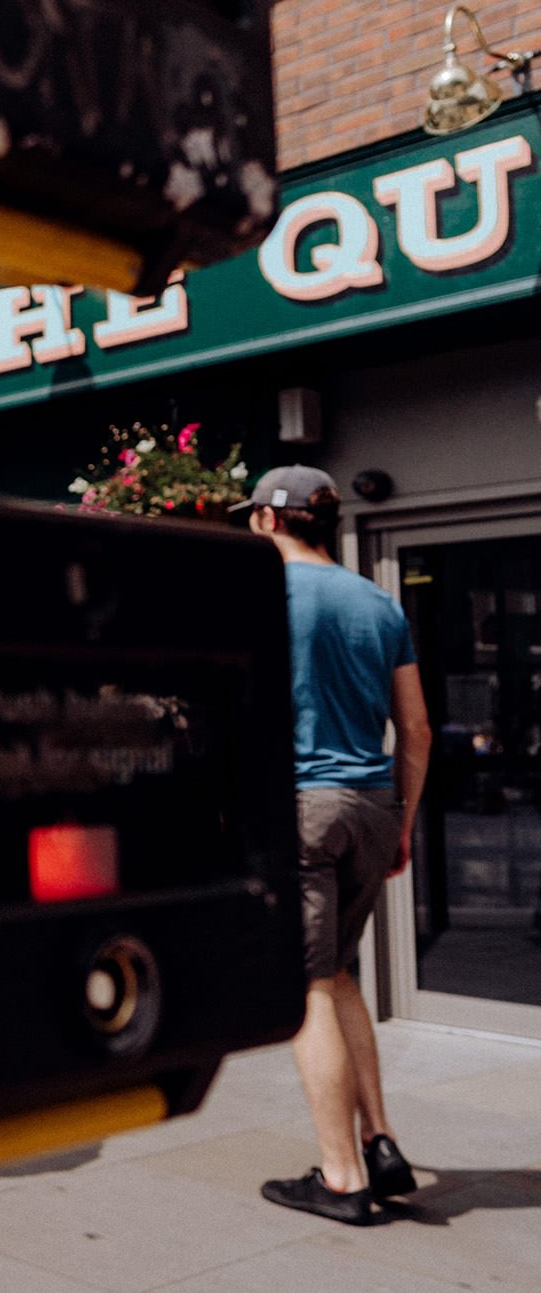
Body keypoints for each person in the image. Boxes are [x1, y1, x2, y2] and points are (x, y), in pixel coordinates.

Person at [240, 465, 432, 1225]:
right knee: (341, 973)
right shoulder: (379, 601)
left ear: (266, 521)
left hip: (302, 809)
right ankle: (380, 1140)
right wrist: (404, 820)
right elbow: (413, 728)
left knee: (308, 988)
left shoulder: (259, 598)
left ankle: (343, 1175)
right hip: (374, 804)